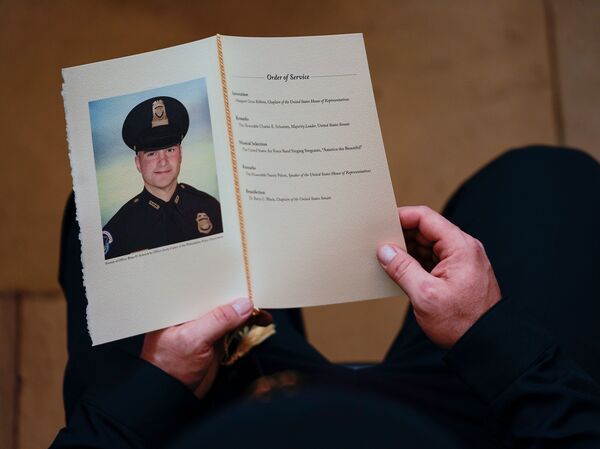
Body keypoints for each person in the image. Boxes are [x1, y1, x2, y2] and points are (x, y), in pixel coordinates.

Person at [52, 146, 600, 448]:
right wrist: (493, 340)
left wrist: (155, 389)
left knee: (95, 216)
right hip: (464, 428)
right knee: (550, 183)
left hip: (218, 417)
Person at [102, 96, 223, 259]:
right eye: (151, 154)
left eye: (170, 150)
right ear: (138, 163)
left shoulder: (211, 208)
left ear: (180, 153)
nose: (163, 161)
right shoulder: (120, 229)